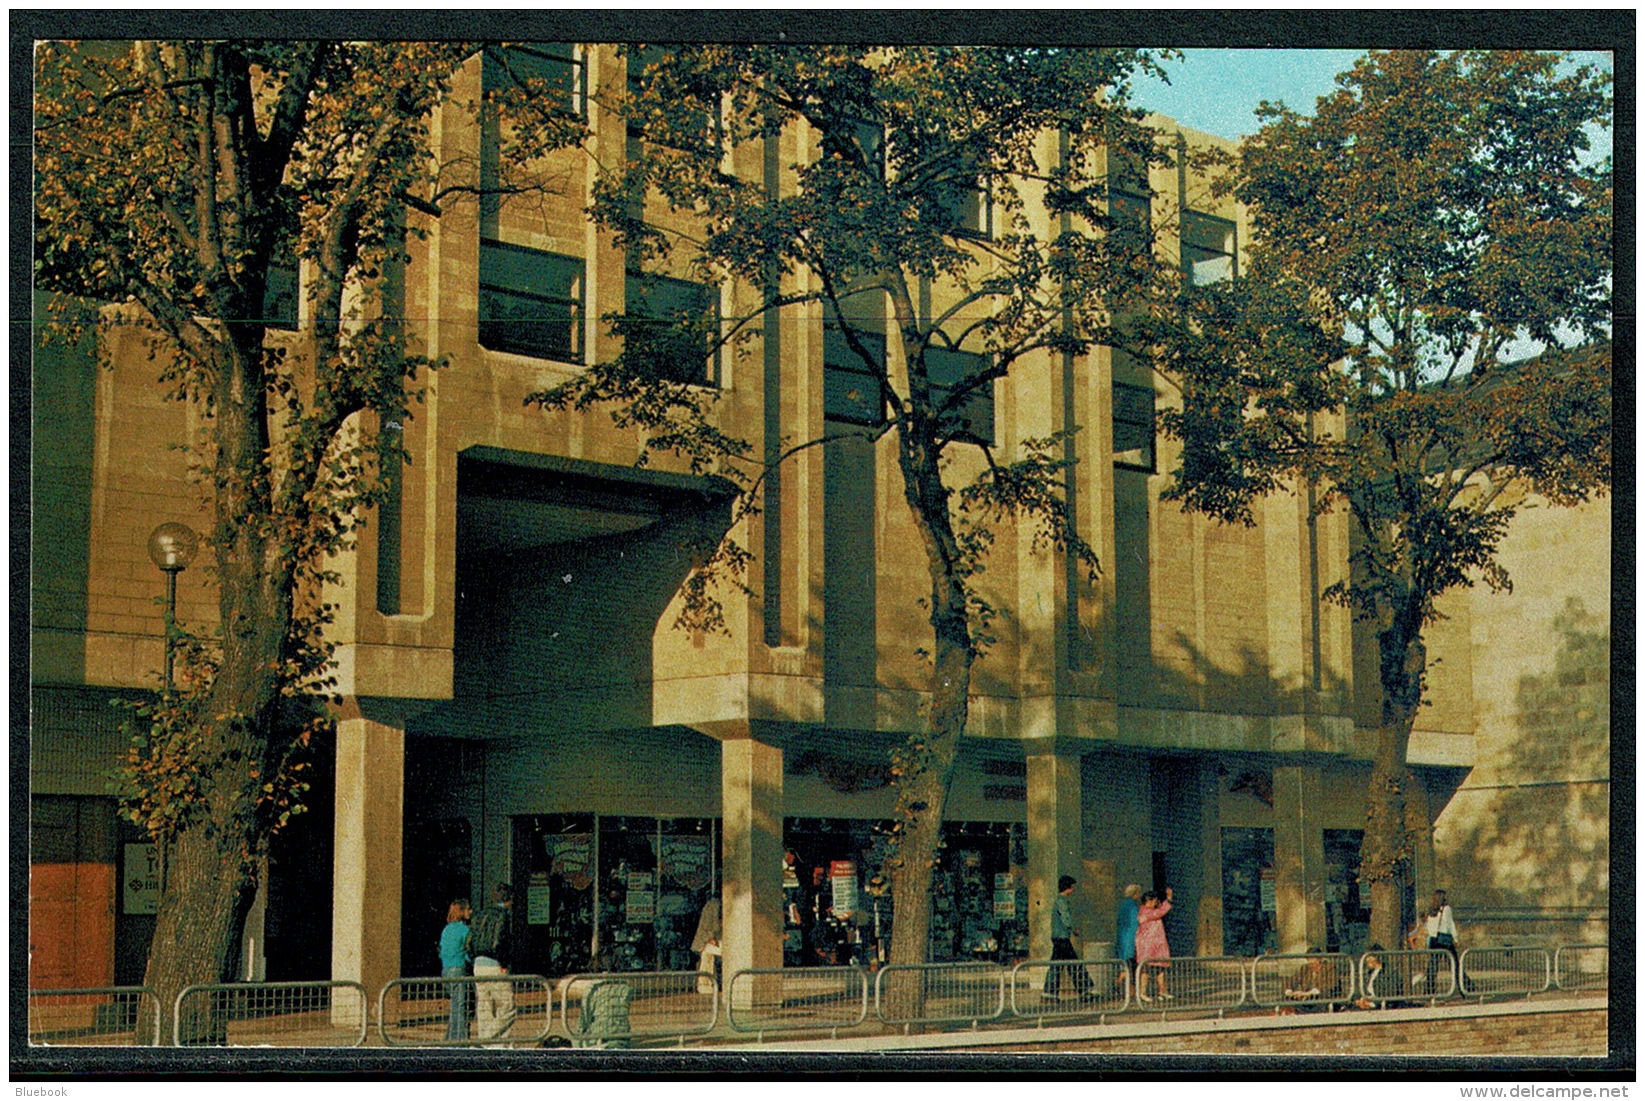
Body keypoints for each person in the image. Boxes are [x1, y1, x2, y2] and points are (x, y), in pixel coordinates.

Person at [467, 882, 517, 1043]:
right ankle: (493, 1040)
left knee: (485, 1006)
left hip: (478, 964)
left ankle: (486, 1041)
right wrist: (503, 963)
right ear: (508, 899)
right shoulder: (504, 915)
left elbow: (469, 942)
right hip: (495, 963)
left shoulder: (480, 914)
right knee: (507, 1007)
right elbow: (501, 941)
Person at [1043, 875, 1094, 999]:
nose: (1073, 889)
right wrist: (1073, 929)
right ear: (1068, 887)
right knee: (1074, 964)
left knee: (1057, 965)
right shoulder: (1062, 901)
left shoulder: (1059, 900)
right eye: (1072, 886)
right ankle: (1084, 990)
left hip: (1058, 937)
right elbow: (1066, 918)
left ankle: (1049, 993)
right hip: (1062, 937)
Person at [439, 897, 473, 1041]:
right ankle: (459, 1038)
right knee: (460, 1006)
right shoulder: (465, 930)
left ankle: (451, 1036)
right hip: (459, 968)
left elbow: (442, 949)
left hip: (446, 969)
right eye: (468, 909)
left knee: (454, 1004)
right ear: (462, 911)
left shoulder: (446, 929)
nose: (471, 911)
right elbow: (469, 949)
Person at [1135, 886, 1174, 1002]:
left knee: (1160, 968)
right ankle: (1142, 992)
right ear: (1150, 901)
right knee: (1146, 969)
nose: (1157, 903)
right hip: (1148, 946)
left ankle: (1162, 990)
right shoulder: (1145, 912)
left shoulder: (1150, 911)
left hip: (1157, 946)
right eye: (1155, 901)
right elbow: (1161, 911)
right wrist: (1169, 898)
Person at [1425, 889, 1461, 992]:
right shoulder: (1447, 909)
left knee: (1433, 966)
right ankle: (1465, 986)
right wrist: (1455, 937)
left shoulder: (1431, 910)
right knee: (1454, 964)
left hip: (1433, 939)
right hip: (1444, 939)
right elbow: (1450, 924)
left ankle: (1429, 989)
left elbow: (1429, 925)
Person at [692, 892, 722, 995]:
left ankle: (706, 985)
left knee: (706, 961)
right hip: (709, 939)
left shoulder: (709, 906)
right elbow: (714, 924)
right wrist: (711, 937)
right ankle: (706, 985)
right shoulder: (715, 905)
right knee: (708, 961)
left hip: (705, 939)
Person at [1115, 884, 1142, 993]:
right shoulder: (1133, 906)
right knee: (1133, 965)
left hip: (1122, 938)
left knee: (1125, 964)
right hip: (1131, 939)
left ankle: (1121, 982)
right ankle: (1133, 988)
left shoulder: (1122, 905)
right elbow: (1135, 923)